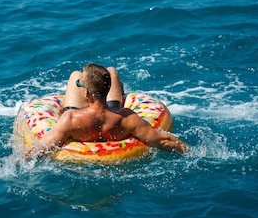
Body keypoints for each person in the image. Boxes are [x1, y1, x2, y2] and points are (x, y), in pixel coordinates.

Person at [25, 63, 188, 159]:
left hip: (81, 118)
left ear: (86, 93)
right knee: (111, 71)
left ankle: (84, 80)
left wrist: (11, 162)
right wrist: (194, 153)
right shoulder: (126, 118)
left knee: (75, 74)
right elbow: (164, 141)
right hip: (112, 113)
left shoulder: (70, 119)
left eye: (80, 85)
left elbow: (41, 148)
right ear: (109, 90)